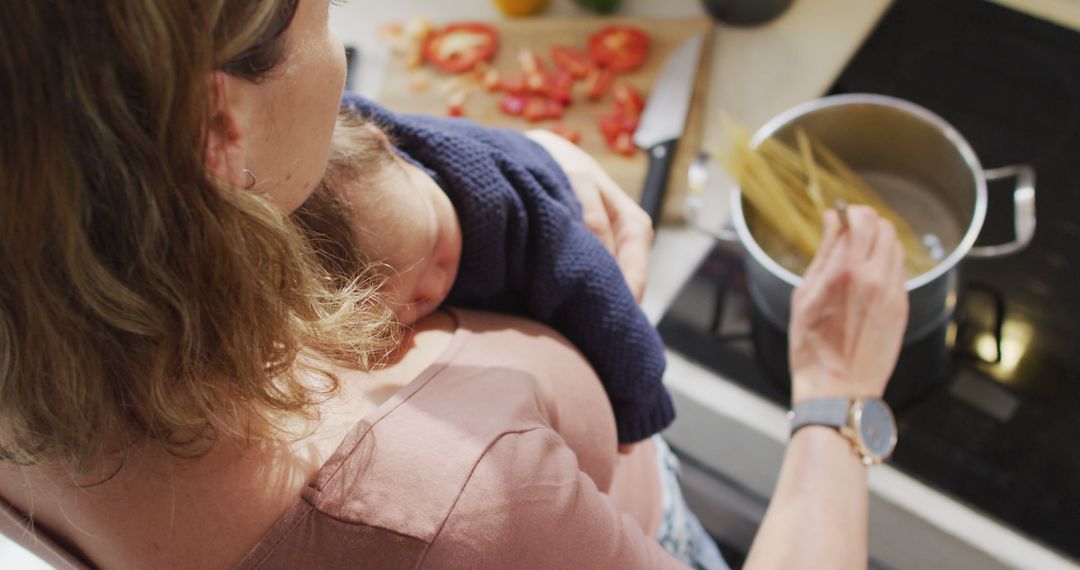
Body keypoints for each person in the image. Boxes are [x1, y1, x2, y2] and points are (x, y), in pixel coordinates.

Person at [0, 1, 908, 569]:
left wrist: (492, 171)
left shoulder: (46, 289)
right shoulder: (452, 513)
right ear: (218, 129)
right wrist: (837, 395)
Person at [296, 107, 671, 448]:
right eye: (410, 303)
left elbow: (612, 314)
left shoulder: (527, 222)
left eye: (438, 247)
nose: (434, 286)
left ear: (388, 144)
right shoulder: (326, 174)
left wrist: (638, 409)